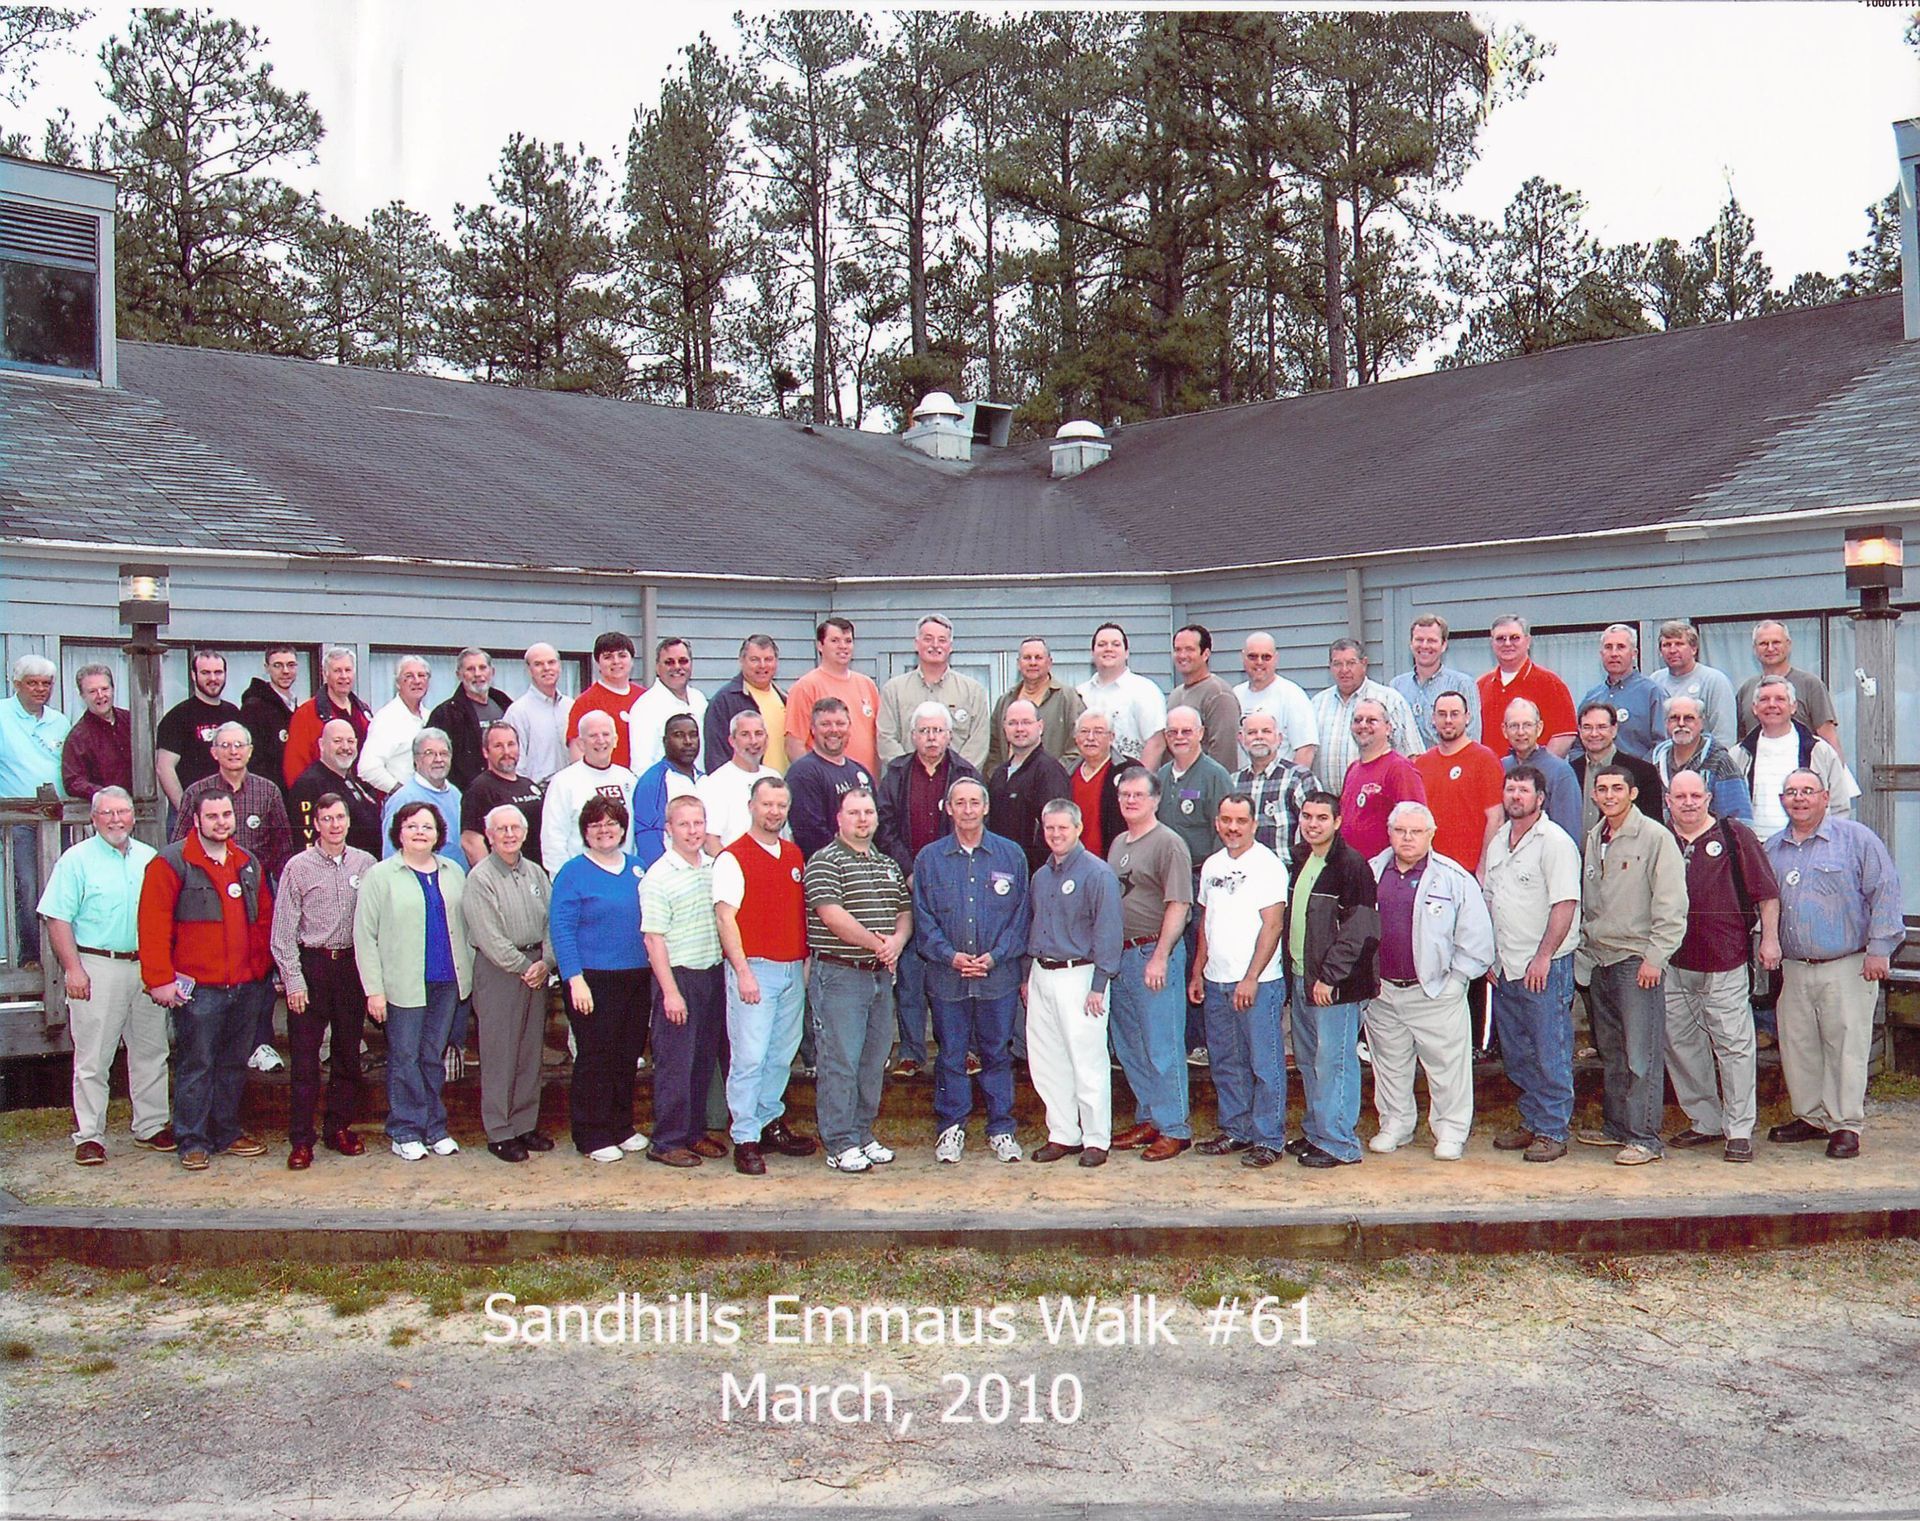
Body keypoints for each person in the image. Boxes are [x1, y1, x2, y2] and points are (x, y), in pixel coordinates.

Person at [1763, 768, 1904, 1160]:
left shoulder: (1856, 839)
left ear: (1825, 797)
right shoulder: (1773, 849)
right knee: (1800, 1047)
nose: (1799, 798)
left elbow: (1885, 890)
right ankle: (1811, 1117)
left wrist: (1879, 949)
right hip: (1794, 967)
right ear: (1782, 800)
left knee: (1846, 1047)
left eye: (1808, 791)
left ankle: (1845, 1125)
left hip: (1847, 964)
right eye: (1791, 792)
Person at [138, 791, 275, 1171]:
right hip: (198, 990)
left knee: (233, 1064)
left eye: (226, 815)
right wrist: (160, 980)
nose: (221, 822)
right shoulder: (171, 863)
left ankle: (226, 1132)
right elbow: (152, 924)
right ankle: (192, 1140)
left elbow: (263, 920)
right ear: (196, 820)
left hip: (244, 985)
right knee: (197, 1064)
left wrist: (260, 971)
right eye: (212, 816)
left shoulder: (247, 863)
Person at [37, 788, 171, 1165]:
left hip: (145, 966)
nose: (116, 820)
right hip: (97, 965)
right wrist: (73, 968)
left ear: (133, 816)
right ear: (93, 819)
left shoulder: (150, 858)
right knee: (94, 1056)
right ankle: (90, 1136)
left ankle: (151, 1125)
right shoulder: (76, 860)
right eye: (107, 813)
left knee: (151, 1050)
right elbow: (57, 918)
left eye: (122, 812)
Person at [1364, 803, 1495, 1161]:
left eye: (1416, 831)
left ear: (1431, 834)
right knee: (1389, 1065)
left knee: (1447, 1069)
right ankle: (1395, 1124)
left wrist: (1456, 981)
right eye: (1400, 830)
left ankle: (1450, 1131)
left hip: (1435, 991)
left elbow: (1477, 938)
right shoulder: (1371, 873)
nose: (1407, 838)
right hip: (1384, 992)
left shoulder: (1453, 878)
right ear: (1389, 833)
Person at [1661, 771, 1779, 1165]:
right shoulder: (1660, 838)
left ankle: (1739, 1130)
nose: (1688, 803)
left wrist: (1770, 939)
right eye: (1680, 796)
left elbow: (1767, 893)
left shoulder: (1734, 835)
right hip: (1672, 963)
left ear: (1709, 798)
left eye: (1696, 795)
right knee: (1681, 1044)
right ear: (1668, 800)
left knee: (1734, 1046)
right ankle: (1705, 1121)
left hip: (1725, 960)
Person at [1575, 764, 1688, 1167]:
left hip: (1636, 961)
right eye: (1602, 789)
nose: (1609, 795)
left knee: (1642, 1055)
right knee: (1613, 1051)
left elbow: (1671, 903)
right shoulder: (1595, 838)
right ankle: (1617, 1127)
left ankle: (1645, 1137)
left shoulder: (1655, 837)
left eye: (1617, 788)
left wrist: (1655, 957)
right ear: (1594, 795)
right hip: (1599, 959)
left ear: (1633, 793)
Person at [913, 779, 1028, 1166]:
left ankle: (1001, 1128)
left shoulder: (1011, 855)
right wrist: (950, 956)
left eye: (974, 802)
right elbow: (923, 918)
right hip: (948, 978)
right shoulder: (929, 859)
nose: (967, 810)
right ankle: (950, 1127)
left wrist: (995, 956)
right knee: (951, 1054)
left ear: (986, 807)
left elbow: (1021, 916)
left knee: (997, 1053)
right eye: (959, 803)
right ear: (948, 808)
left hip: (998, 977)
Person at [354, 800, 472, 1162]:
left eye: (427, 827)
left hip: (446, 981)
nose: (420, 832)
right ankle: (405, 1129)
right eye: (412, 826)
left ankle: (434, 1127)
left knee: (432, 1056)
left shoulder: (454, 871)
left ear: (438, 834)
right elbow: (364, 935)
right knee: (405, 1057)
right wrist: (374, 990)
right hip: (402, 984)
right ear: (399, 833)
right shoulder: (381, 875)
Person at [713, 776, 818, 1174]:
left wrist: (803, 963)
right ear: (751, 806)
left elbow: (797, 913)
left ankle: (769, 1121)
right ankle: (744, 1136)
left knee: (780, 1054)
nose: (774, 811)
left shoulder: (793, 855)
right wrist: (742, 971)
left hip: (791, 969)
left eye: (780, 805)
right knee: (750, 1056)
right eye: (766, 804)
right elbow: (726, 918)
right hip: (754, 969)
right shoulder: (733, 857)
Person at [807, 786, 913, 1173]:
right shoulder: (825, 861)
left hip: (879, 977)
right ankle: (839, 1142)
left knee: (872, 1062)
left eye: (868, 812)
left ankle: (861, 1133)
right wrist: (877, 944)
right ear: (839, 818)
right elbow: (832, 915)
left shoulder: (887, 864)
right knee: (841, 1062)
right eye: (854, 812)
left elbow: (904, 911)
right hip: (840, 976)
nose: (862, 819)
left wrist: (896, 943)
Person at [1479, 765, 1581, 1164]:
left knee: (1549, 1050)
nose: (1515, 796)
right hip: (1506, 965)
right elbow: (1490, 899)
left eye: (1523, 790)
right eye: (1510, 789)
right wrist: (1490, 955)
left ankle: (1553, 1130)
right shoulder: (1499, 841)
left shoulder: (1554, 842)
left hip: (1544, 967)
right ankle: (1533, 1120)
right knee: (1519, 1052)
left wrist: (1543, 957)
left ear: (1540, 798)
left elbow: (1565, 904)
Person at [269, 793, 376, 1170]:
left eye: (340, 817)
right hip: (312, 966)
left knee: (347, 1053)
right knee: (305, 1060)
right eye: (326, 818)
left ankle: (338, 1128)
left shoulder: (366, 864)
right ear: (315, 824)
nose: (334, 825)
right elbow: (282, 932)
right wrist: (294, 981)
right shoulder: (298, 867)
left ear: (348, 821)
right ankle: (301, 1139)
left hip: (351, 967)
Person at [876, 704, 981, 1078]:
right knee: (909, 973)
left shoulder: (966, 774)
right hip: (907, 884)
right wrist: (909, 870)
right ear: (913, 736)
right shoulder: (896, 773)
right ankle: (911, 1052)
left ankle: (963, 1049)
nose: (931, 738)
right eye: (924, 731)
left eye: (938, 730)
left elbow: (973, 826)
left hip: (953, 885)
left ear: (950, 735)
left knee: (955, 970)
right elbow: (884, 826)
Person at [1188, 795, 1290, 1167]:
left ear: (1253, 824)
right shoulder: (1212, 865)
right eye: (1227, 820)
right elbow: (1206, 921)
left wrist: (1251, 977)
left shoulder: (1268, 865)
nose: (1233, 828)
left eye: (1241, 821)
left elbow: (1273, 925)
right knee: (1226, 1062)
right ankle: (1236, 1129)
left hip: (1258, 984)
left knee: (1264, 1065)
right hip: (1216, 981)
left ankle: (1269, 1139)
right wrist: (1198, 970)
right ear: (1217, 823)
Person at [549, 795, 650, 1163]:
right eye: (596, 825)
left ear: (623, 829)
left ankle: (620, 1126)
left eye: (611, 823)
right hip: (592, 979)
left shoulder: (637, 867)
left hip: (636, 976)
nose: (604, 830)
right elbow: (561, 928)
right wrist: (574, 978)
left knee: (627, 1054)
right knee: (596, 1056)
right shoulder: (572, 873)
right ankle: (591, 1134)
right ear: (585, 832)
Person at [1282, 791, 1380, 1168]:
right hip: (1302, 976)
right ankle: (1317, 1131)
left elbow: (1360, 930)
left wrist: (1330, 978)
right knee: (1310, 1060)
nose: (1313, 824)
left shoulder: (1352, 866)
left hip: (1334, 986)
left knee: (1334, 1062)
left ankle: (1340, 1142)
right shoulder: (1302, 860)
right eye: (1307, 816)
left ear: (1337, 822)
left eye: (1322, 818)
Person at [1024, 799, 1123, 1167]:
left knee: (1087, 1060)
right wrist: (1027, 977)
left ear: (1078, 828)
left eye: (1063, 827)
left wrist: (1099, 984)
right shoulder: (1041, 876)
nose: (1056, 834)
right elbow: (1033, 926)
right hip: (1042, 973)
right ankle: (1064, 1133)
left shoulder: (1097, 874)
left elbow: (1108, 932)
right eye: (1050, 828)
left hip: (1080, 976)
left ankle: (1096, 1139)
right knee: (1048, 1060)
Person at [1106, 768, 1194, 1160]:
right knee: (1131, 1046)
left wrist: (1160, 955)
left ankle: (1175, 1128)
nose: (1130, 801)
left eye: (1138, 795)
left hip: (1152, 954)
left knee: (1162, 1045)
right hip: (1121, 956)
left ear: (1156, 800)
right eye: (1124, 795)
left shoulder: (1168, 843)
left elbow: (1179, 904)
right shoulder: (1119, 843)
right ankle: (1150, 1118)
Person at [463, 803, 555, 1164]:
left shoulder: (535, 873)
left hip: (537, 968)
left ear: (525, 833)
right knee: (500, 1052)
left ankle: (524, 1123)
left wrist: (546, 962)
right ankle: (500, 1131)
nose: (509, 834)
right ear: (489, 835)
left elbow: (552, 921)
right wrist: (524, 966)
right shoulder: (481, 878)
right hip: (501, 971)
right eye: (501, 829)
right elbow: (488, 934)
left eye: (515, 828)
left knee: (530, 1052)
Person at [640, 795, 729, 1168]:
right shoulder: (659, 876)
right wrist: (671, 992)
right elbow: (653, 939)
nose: (692, 831)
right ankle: (666, 1140)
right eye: (684, 824)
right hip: (678, 977)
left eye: (698, 823)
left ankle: (693, 1132)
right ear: (669, 829)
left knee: (702, 1060)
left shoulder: (714, 869)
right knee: (676, 1063)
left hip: (711, 973)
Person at [1157, 705, 1231, 1062]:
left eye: (1187, 731)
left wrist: (1212, 885)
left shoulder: (1214, 776)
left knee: (1201, 956)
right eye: (1173, 732)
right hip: (1168, 884)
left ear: (1201, 733)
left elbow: (1226, 830)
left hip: (1203, 879)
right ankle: (1181, 1038)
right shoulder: (1160, 778)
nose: (1180, 737)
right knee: (1175, 957)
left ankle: (1205, 1042)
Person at [2, 655, 69, 968]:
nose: (40, 689)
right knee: (29, 886)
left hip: (60, 818)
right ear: (17, 684)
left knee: (63, 889)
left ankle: (63, 956)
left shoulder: (60, 721)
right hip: (20, 820)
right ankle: (31, 958)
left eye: (46, 683)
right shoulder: (2, 716)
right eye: (32, 683)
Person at [170, 722, 295, 882]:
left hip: (257, 882)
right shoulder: (196, 792)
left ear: (250, 751)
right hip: (207, 882)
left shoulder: (268, 791)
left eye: (239, 745)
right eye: (225, 745)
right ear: (214, 752)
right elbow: (179, 844)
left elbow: (283, 848)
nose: (233, 751)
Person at [1743, 676, 1857, 838]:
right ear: (1754, 708)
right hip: (1755, 846)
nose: (1772, 704)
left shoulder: (1820, 751)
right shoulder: (1739, 755)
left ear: (1793, 707)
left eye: (1780, 699)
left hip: (1807, 846)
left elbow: (1839, 807)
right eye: (1764, 699)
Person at [878, 614, 990, 767]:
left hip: (958, 780)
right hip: (907, 779)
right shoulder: (893, 690)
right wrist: (909, 772)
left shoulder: (973, 691)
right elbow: (886, 739)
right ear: (916, 644)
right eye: (928, 639)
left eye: (942, 640)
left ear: (950, 646)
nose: (935, 645)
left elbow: (979, 742)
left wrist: (958, 774)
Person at [1412, 690, 1504, 873]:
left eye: (1454, 714)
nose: (1448, 720)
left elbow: (1496, 818)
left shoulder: (1485, 759)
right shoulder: (1422, 763)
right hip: (1431, 868)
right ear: (1433, 719)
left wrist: (1483, 869)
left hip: (1470, 870)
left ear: (1467, 717)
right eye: (1442, 714)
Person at [1311, 639, 1420, 791]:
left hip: (1377, 799)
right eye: (1337, 664)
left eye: (1351, 663)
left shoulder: (1390, 700)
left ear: (1364, 663)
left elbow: (1413, 756)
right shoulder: (1317, 704)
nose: (1344, 670)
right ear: (1330, 666)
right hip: (1327, 801)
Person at [541, 711, 638, 872]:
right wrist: (562, 878)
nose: (601, 740)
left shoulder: (628, 779)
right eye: (593, 735)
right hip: (582, 876)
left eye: (606, 734)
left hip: (623, 874)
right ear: (581, 743)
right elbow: (553, 838)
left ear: (615, 740)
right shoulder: (563, 782)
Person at [987, 699, 1072, 875]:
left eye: (1026, 722)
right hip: (1000, 871)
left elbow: (1056, 829)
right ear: (1004, 728)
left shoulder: (1049, 771)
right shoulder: (999, 774)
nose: (1019, 729)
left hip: (1035, 873)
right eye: (1013, 723)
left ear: (1040, 726)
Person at [787, 618, 882, 772]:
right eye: (835, 641)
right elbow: (794, 745)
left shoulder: (867, 685)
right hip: (824, 781)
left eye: (848, 641)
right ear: (820, 645)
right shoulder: (806, 687)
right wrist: (813, 778)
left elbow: (876, 740)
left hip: (863, 780)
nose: (843, 646)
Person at [784, 697, 875, 857]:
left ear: (849, 727)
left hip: (864, 864)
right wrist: (849, 859)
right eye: (825, 724)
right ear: (813, 729)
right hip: (827, 866)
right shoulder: (803, 773)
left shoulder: (860, 772)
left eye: (840, 724)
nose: (834, 730)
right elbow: (810, 834)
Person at [1735, 620, 1842, 754]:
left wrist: (1837, 765)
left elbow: (1829, 739)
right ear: (1754, 649)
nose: (1770, 648)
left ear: (1788, 645)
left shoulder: (1810, 685)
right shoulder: (1747, 690)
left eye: (1776, 642)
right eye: (1763, 643)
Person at [1338, 699, 1427, 860]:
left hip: (1385, 868)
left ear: (1388, 728)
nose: (1363, 725)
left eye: (1371, 720)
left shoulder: (1399, 769)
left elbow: (1416, 824)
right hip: (1352, 868)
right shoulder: (1353, 769)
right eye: (1358, 720)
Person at [1478, 615, 1576, 759]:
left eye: (1514, 638)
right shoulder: (1480, 686)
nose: (1507, 643)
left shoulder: (1550, 683)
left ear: (1528, 641)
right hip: (1489, 771)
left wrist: (1537, 768)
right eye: (1500, 639)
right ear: (1492, 643)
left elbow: (1564, 735)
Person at [155, 648, 240, 812]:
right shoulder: (177, 716)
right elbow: (164, 768)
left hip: (229, 809)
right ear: (194, 676)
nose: (213, 678)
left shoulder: (234, 713)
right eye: (205, 673)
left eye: (218, 672)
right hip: (191, 810)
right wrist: (186, 810)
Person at [1077, 622, 1167, 769]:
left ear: (1126, 653)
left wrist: (1139, 779)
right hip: (1089, 778)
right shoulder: (1081, 693)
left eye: (1116, 644)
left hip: (1129, 778)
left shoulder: (1145, 690)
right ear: (1092, 653)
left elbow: (1156, 743)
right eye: (1102, 644)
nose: (1108, 648)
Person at [986, 637, 1085, 769]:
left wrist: (1051, 774)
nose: (1032, 663)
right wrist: (999, 776)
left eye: (1038, 658)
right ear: (1018, 664)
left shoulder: (1068, 698)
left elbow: (1079, 747)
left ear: (1049, 663)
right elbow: (994, 750)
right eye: (1027, 658)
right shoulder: (1005, 701)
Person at [1650, 696, 1752, 823]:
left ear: (1701, 723)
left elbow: (1739, 819)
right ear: (1666, 723)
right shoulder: (1655, 764)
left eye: (1689, 718)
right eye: (1674, 718)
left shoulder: (1721, 763)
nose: (1681, 723)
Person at [288, 718, 383, 855]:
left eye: (350, 741)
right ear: (322, 745)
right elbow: (306, 843)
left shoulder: (354, 780)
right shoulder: (309, 785)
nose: (345, 747)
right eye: (337, 741)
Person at [282, 646, 372, 788]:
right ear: (325, 674)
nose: (344, 676)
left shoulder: (364, 712)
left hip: (362, 795)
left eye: (348, 670)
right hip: (324, 795)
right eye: (337, 671)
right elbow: (295, 768)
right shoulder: (306, 714)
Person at [460, 721, 546, 869]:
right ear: (485, 752)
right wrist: (493, 876)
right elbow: (470, 841)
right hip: (505, 874)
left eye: (511, 744)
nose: (506, 752)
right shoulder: (480, 789)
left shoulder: (530, 785)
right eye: (498, 746)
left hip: (536, 873)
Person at [1570, 701, 1664, 834]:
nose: (1594, 734)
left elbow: (1653, 827)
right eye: (1587, 727)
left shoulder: (1642, 772)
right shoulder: (1570, 771)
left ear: (1614, 730)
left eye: (1602, 727)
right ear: (1579, 731)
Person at [696, 711, 781, 855]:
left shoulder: (774, 777)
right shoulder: (717, 783)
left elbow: (783, 833)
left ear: (767, 739)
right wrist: (732, 866)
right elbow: (711, 841)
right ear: (732, 741)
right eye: (745, 734)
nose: (753, 741)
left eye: (759, 734)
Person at [1233, 710, 1315, 857]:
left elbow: (1316, 830)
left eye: (1266, 731)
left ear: (1279, 738)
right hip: (1240, 868)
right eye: (1252, 732)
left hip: (1286, 867)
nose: (1259, 737)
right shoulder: (1233, 782)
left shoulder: (1298, 778)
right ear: (1241, 739)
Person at [427, 647, 511, 790]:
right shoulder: (445, 714)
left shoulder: (505, 705)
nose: (477, 674)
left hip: (505, 788)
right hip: (468, 792)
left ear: (492, 672)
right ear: (459, 675)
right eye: (470, 669)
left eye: (482, 668)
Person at [1392, 615, 1480, 751]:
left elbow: (1472, 738)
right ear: (1411, 643)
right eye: (1419, 640)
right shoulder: (1397, 686)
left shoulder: (1462, 684)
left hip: (1448, 762)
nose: (1424, 645)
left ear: (1444, 645)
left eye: (1431, 640)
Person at [1578, 624, 1666, 760]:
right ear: (1601, 654)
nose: (1614, 654)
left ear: (1634, 654)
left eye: (1621, 647)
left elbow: (1663, 745)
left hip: (1638, 771)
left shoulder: (1652, 693)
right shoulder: (1592, 697)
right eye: (1608, 647)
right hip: (1596, 772)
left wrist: (1641, 769)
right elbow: (1577, 746)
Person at [1500, 698, 1583, 843]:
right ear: (1504, 730)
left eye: (1527, 725)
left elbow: (1568, 834)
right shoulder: (1501, 767)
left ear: (1539, 728)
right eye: (1514, 726)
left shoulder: (1560, 772)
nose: (1521, 732)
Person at [379, 728, 463, 869]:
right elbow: (391, 855)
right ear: (416, 759)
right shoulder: (403, 799)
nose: (438, 759)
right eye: (429, 753)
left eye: (443, 753)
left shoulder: (455, 794)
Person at [704, 634, 787, 775]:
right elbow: (716, 757)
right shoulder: (724, 701)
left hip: (783, 784)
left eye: (768, 659)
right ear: (741, 661)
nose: (762, 665)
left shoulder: (785, 698)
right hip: (748, 785)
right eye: (754, 659)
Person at [1234, 632, 1317, 772]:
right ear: (1243, 657)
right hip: (1244, 782)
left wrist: (1291, 782)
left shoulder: (1292, 695)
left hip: (1280, 783)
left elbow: (1306, 749)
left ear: (1276, 658)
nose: (1259, 662)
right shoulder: (1235, 695)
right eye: (1253, 656)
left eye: (1266, 657)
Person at [630, 712, 705, 867]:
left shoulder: (705, 780)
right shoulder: (653, 782)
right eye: (679, 735)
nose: (688, 742)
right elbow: (648, 839)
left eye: (693, 735)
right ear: (665, 741)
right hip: (672, 874)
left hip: (705, 870)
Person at [627, 637, 708, 777]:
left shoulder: (699, 699)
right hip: (667, 787)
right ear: (657, 668)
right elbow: (641, 767)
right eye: (669, 662)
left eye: (683, 661)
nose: (677, 667)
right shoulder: (645, 707)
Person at [1649, 620, 1738, 747]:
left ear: (1694, 649)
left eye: (1679, 644)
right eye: (1667, 645)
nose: (1672, 650)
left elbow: (1724, 736)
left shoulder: (1714, 681)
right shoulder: (1654, 681)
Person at [567, 632, 646, 772]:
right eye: (608, 657)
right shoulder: (585, 703)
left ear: (632, 660)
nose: (616, 661)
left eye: (622, 655)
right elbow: (577, 753)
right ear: (598, 663)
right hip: (604, 782)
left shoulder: (645, 698)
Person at [1168, 625, 1242, 769]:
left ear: (1206, 654)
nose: (1182, 655)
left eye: (1189, 649)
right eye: (1177, 649)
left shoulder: (1219, 694)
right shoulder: (1175, 695)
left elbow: (1224, 752)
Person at [502, 642, 576, 784]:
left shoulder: (571, 706)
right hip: (537, 790)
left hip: (571, 787)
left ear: (559, 666)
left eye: (551, 662)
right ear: (529, 671)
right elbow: (516, 763)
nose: (546, 668)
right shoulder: (518, 712)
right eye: (538, 664)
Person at [358, 655, 432, 796]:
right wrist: (403, 793)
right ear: (398, 683)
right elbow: (367, 768)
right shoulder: (387, 719)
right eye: (409, 676)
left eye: (422, 675)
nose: (417, 681)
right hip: (402, 802)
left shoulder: (430, 716)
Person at [237, 644, 302, 797]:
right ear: (267, 668)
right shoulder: (253, 708)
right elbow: (252, 761)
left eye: (291, 665)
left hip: (295, 794)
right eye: (277, 665)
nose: (285, 671)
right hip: (268, 796)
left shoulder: (297, 708)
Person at [60, 664, 132, 801]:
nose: (100, 695)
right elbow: (73, 782)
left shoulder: (133, 722)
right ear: (82, 695)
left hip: (144, 807)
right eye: (92, 691)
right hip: (105, 809)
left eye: (104, 689)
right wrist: (106, 794)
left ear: (113, 689)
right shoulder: (78, 737)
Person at [1067, 710, 1127, 861]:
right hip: (1074, 862)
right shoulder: (1067, 774)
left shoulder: (1129, 771)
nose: (1090, 738)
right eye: (1084, 731)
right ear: (1076, 738)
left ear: (1111, 737)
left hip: (1116, 861)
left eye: (1098, 732)